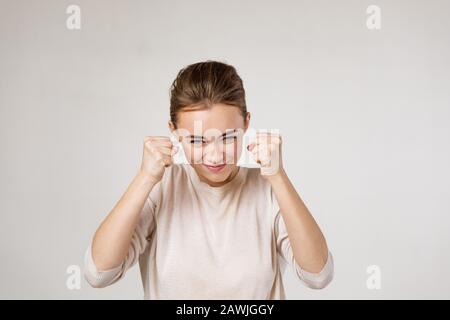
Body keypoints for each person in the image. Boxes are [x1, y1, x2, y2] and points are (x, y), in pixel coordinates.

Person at [84, 60, 334, 299]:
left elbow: (318, 276)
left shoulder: (268, 189)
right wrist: (145, 178)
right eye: (196, 140)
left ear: (246, 124)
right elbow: (98, 274)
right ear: (174, 131)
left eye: (228, 137)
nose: (215, 156)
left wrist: (279, 177)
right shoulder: (162, 186)